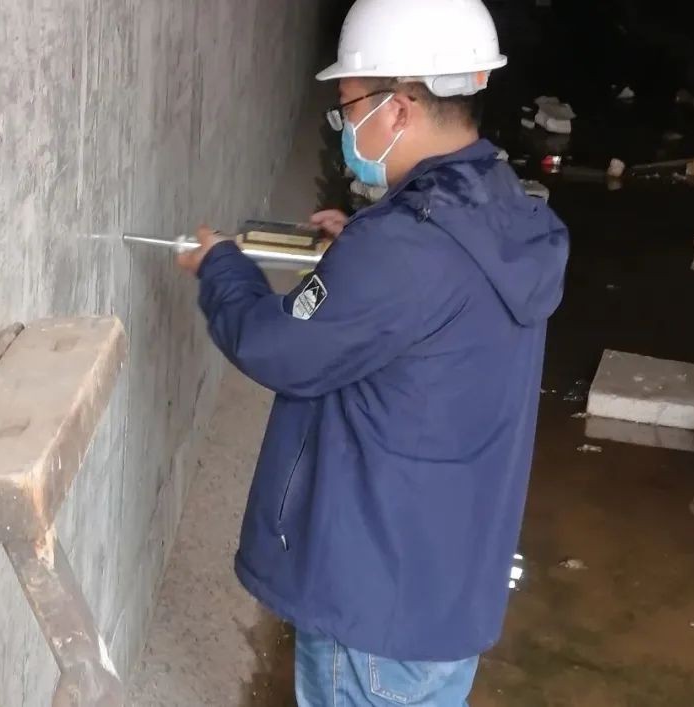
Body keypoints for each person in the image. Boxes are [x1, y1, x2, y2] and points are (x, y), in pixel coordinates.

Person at [177, 0, 569, 704]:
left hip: (375, 604)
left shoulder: (403, 251)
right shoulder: (502, 207)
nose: (344, 126)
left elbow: (277, 347)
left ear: (398, 109)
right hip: (447, 592)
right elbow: (423, 291)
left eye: (349, 107)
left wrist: (222, 267)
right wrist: (365, 241)